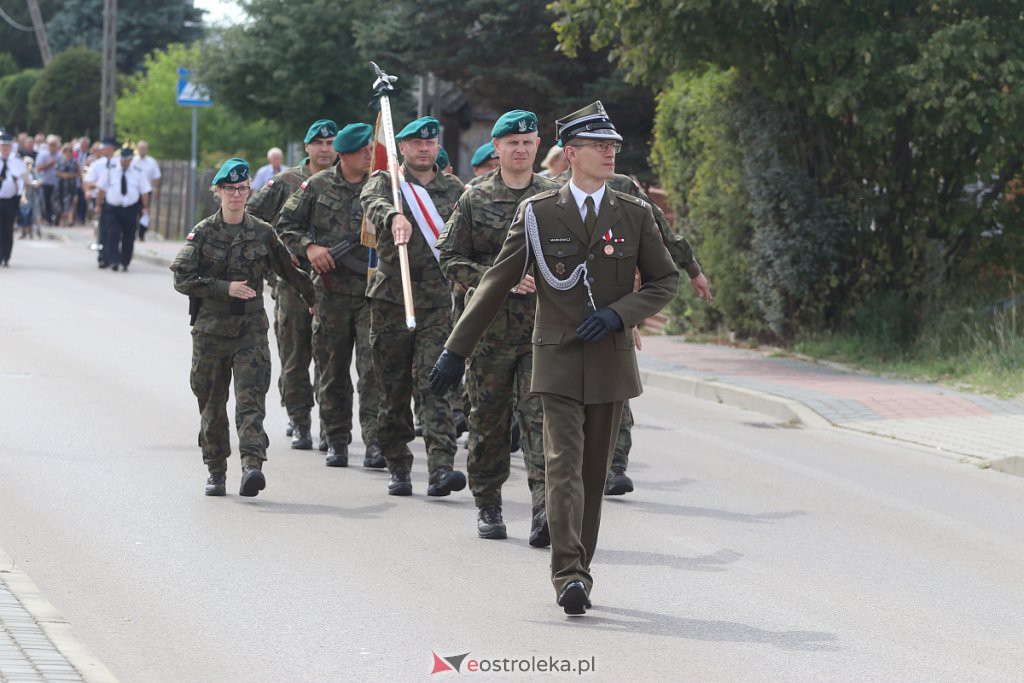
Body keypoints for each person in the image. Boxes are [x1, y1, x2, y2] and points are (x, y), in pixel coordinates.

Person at [429, 102, 680, 615]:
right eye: (599, 146)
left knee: (592, 476)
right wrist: (456, 350)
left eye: (613, 146)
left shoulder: (632, 213)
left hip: (609, 362)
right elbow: (496, 281)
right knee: (562, 465)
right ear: (571, 154)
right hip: (557, 358)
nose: (610, 153)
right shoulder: (539, 213)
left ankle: (580, 564)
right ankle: (568, 574)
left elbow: (664, 280)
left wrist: (619, 315)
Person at [436, 109, 558, 544]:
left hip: (542, 332)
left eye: (528, 142)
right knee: (487, 423)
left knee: (542, 421)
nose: (521, 149)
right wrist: (499, 277)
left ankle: (545, 509)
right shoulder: (475, 198)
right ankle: (488, 503)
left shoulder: (556, 196)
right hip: (487, 335)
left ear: (537, 146)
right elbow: (449, 257)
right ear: (499, 148)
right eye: (512, 143)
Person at [170, 158, 316, 497]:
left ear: (249, 191)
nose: (237, 195)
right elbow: (181, 277)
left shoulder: (263, 232)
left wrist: (312, 298)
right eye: (230, 189)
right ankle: (216, 469)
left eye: (242, 188)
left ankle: (252, 464)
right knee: (211, 403)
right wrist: (225, 288)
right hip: (210, 332)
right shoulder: (204, 232)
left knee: (250, 400)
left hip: (250, 329)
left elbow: (289, 271)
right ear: (218, 192)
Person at [359, 116, 468, 497]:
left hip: (438, 302)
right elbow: (371, 202)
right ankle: (397, 464)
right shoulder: (387, 182)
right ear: (401, 147)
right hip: (392, 298)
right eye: (416, 144)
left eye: (430, 143)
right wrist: (394, 215)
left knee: (435, 383)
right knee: (392, 389)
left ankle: (441, 468)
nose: (424, 149)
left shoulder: (455, 188)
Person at [278, 123, 383, 469]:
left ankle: (375, 442)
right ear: (344, 154)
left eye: (371, 149)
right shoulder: (317, 186)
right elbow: (285, 225)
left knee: (372, 371)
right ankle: (336, 438)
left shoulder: (381, 185)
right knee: (333, 369)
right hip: (331, 293)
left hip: (372, 292)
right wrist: (310, 247)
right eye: (362, 151)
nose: (369, 155)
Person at [248, 119, 338, 452]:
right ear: (308, 147)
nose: (326, 149)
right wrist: (273, 257)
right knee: (295, 356)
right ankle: (300, 420)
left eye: (331, 143)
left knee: (331, 358)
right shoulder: (286, 182)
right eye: (320, 143)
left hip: (336, 283)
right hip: (293, 284)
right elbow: (252, 216)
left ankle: (332, 426)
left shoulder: (348, 180)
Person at [95, 146, 151, 272]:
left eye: (126, 159)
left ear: (130, 160)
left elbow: (144, 191)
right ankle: (114, 260)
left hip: (130, 209)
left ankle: (125, 261)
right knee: (113, 233)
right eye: (122, 159)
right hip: (113, 208)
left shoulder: (137, 172)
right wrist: (98, 205)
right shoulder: (111, 170)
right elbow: (101, 188)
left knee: (129, 235)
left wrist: (145, 208)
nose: (123, 162)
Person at [84, 137, 118, 267]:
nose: (102, 150)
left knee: (114, 229)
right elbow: (88, 181)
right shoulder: (98, 164)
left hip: (115, 200)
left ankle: (113, 254)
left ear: (111, 148)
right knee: (103, 228)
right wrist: (91, 188)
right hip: (101, 199)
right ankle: (103, 256)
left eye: (104, 147)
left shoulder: (118, 163)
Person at [0, 130, 28, 267]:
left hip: (11, 200)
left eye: (7, 146)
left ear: (11, 147)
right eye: (2, 146)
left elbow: (24, 180)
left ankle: (6, 256)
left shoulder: (17, 162)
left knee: (8, 228)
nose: (5, 149)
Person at [132, 141, 161, 241]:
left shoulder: (151, 162)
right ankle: (133, 231)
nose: (142, 150)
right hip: (134, 190)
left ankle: (141, 234)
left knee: (144, 212)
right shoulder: (133, 161)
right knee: (133, 211)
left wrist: (156, 189)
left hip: (147, 190)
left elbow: (156, 177)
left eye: (144, 148)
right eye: (141, 148)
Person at [34, 135, 59, 225]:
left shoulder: (59, 155)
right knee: (46, 202)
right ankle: (47, 219)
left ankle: (55, 219)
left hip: (56, 183)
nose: (53, 147)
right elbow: (38, 168)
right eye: (51, 144)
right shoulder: (43, 154)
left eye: (55, 144)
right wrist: (49, 164)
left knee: (56, 202)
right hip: (45, 182)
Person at [55, 144, 80, 226]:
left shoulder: (74, 161)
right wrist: (63, 175)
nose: (68, 153)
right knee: (61, 202)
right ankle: (62, 220)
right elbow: (56, 172)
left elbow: (78, 173)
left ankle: (70, 219)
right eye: (66, 151)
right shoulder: (60, 161)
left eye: (70, 151)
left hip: (71, 185)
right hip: (61, 185)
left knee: (71, 203)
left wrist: (68, 175)